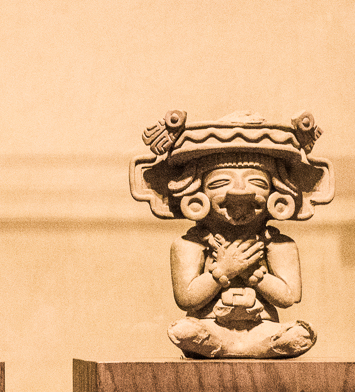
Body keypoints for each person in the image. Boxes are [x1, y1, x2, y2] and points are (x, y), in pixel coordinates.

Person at [130, 111, 334, 358]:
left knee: (301, 334)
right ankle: (235, 345)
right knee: (184, 330)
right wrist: (224, 270)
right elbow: (187, 299)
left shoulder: (279, 244)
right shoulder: (189, 245)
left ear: (277, 194)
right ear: (196, 193)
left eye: (258, 183)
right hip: (209, 325)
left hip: (263, 325)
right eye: (219, 183)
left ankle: (250, 344)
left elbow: (288, 297)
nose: (240, 191)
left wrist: (254, 274)